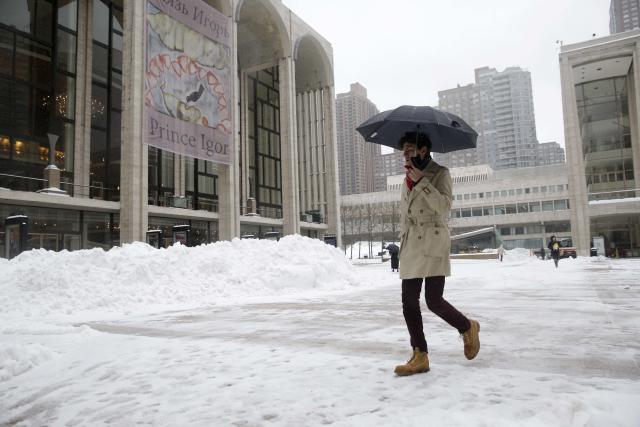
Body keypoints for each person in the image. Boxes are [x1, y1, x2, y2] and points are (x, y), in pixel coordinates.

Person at [394, 132, 480, 377]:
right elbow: (404, 216)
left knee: (433, 300)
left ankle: (467, 327)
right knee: (408, 302)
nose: (405, 153)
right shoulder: (406, 179)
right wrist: (402, 242)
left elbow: (444, 208)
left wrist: (422, 181)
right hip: (412, 245)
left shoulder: (441, 173)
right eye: (404, 149)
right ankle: (419, 354)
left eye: (409, 148)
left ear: (423, 150)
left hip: (433, 242)